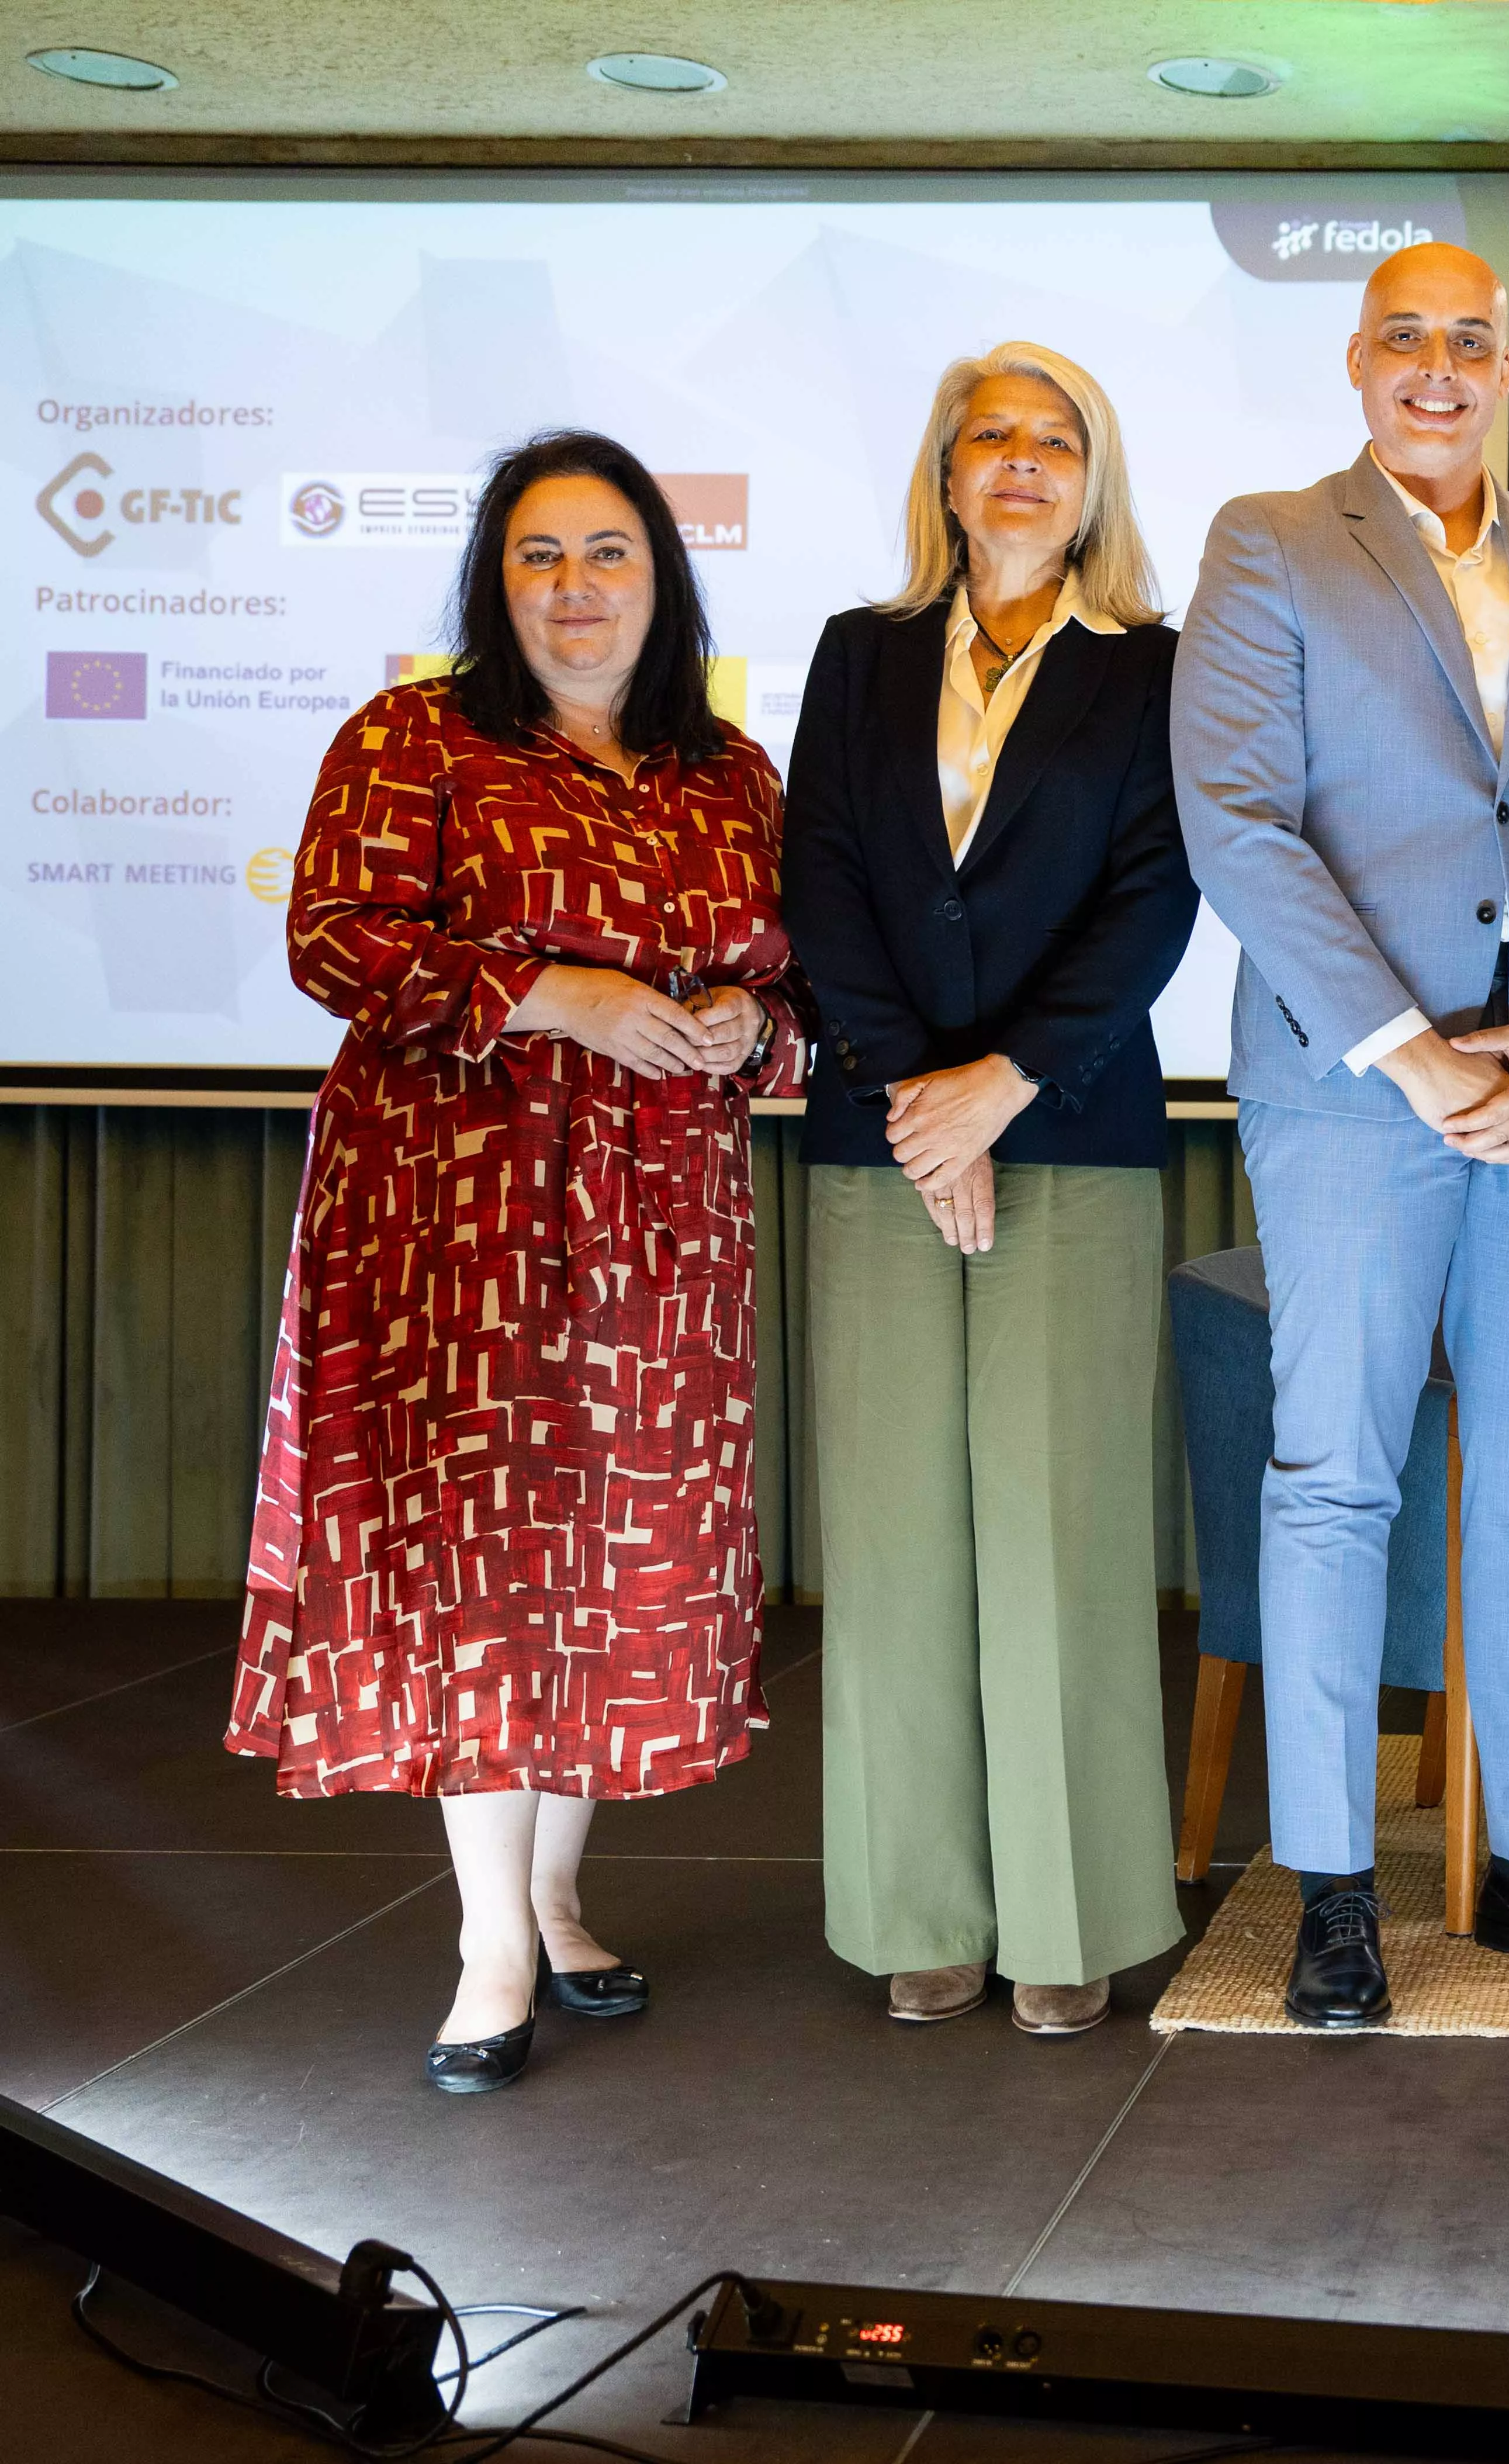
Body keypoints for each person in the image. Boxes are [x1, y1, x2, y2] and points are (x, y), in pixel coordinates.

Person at [227, 430, 807, 2093]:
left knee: (615, 1558)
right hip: (451, 1213)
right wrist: (555, 995)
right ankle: (491, 1941)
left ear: (661, 578)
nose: (575, 586)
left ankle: (560, 1892)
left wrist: (740, 1024)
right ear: (495, 577)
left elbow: (806, 1006)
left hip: (662, 1227)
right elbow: (333, 937)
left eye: (608, 551)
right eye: (540, 554)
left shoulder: (733, 773)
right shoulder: (413, 738)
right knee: (482, 1569)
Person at [1177, 241, 1509, 2029]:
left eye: (1471, 342)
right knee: (1338, 1475)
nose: (1439, 370)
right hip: (1349, 1088)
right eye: (1408, 340)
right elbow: (1237, 821)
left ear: (1507, 364)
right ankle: (1329, 1887)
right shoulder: (1271, 540)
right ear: (1358, 361)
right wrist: (1410, 1049)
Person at [781, 343, 1196, 2039]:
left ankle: (1067, 1914)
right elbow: (816, 874)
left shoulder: (1158, 667)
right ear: (945, 475)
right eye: (990, 441)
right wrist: (912, 1097)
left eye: (1054, 442)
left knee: (1059, 1531)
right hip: (878, 1140)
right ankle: (917, 1910)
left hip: (1075, 1129)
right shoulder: (855, 656)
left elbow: (1160, 897)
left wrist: (1003, 1084)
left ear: (1092, 481)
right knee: (888, 1540)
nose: (1020, 466)